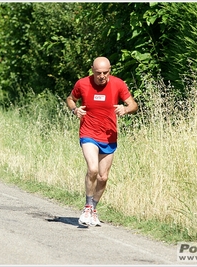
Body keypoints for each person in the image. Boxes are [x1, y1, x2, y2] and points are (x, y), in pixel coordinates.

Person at [66, 56, 138, 226]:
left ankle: (94, 210)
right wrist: (75, 110)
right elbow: (70, 99)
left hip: (109, 136)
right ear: (92, 70)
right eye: (98, 73)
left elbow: (134, 105)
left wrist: (125, 109)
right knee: (92, 169)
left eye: (105, 73)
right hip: (88, 133)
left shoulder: (118, 84)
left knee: (103, 177)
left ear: (110, 71)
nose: (102, 76)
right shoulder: (82, 84)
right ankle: (87, 208)